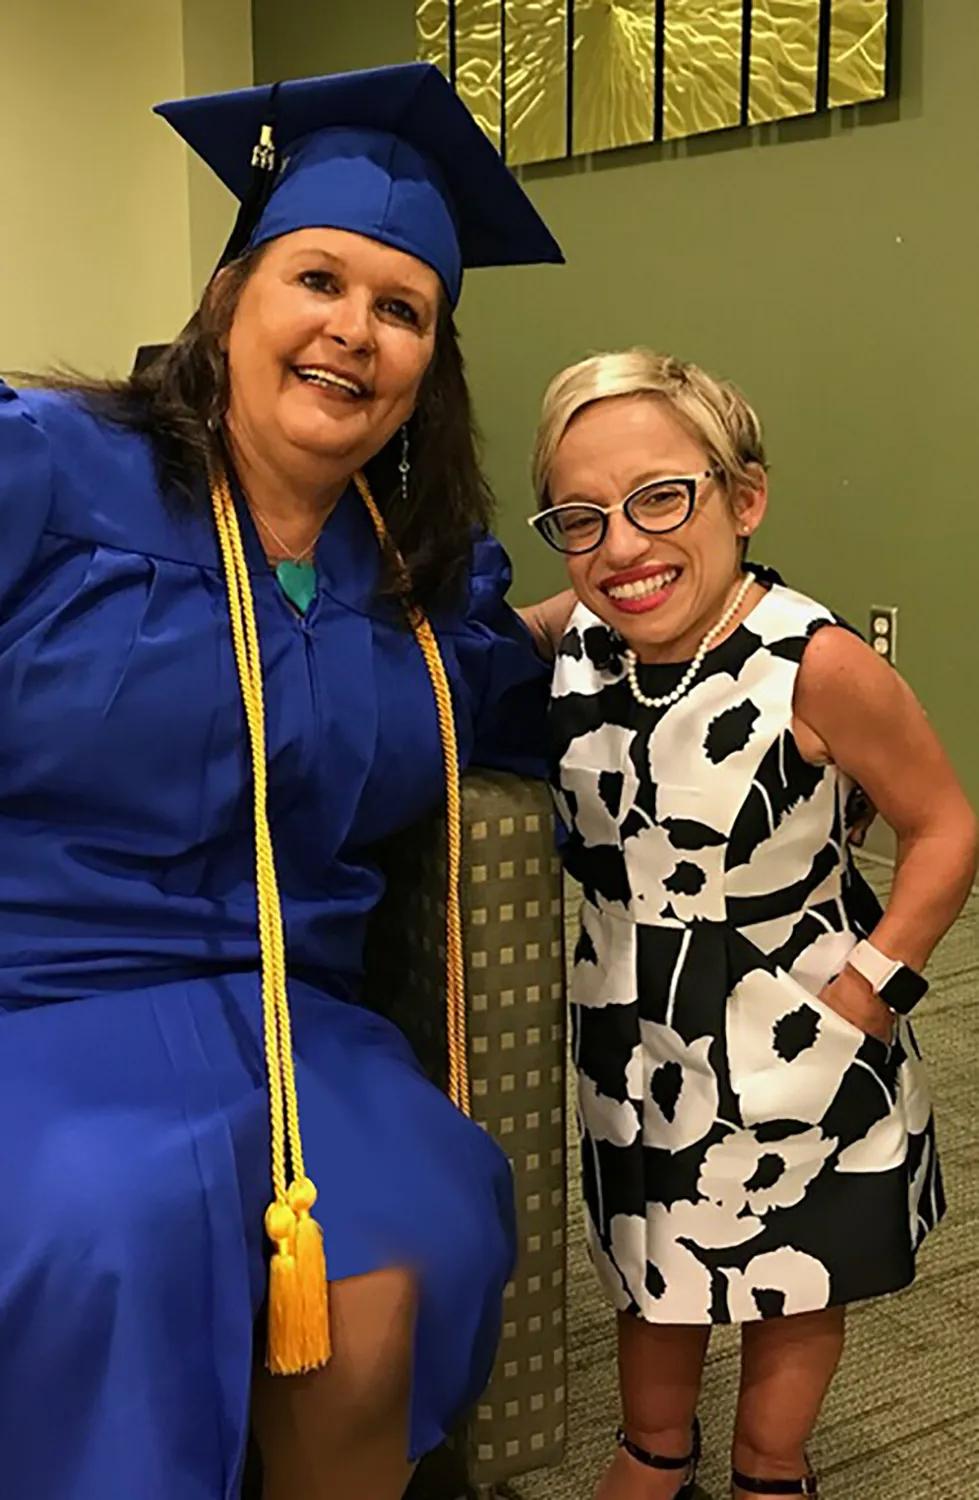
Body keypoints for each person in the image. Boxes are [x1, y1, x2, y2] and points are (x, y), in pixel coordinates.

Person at [0, 63, 563, 1500]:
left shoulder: (419, 581)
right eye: (317, 278)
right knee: (105, 1225)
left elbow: (511, 710)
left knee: (416, 1230)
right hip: (45, 993)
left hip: (287, 1014)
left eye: (401, 310)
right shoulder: (54, 474)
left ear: (430, 361)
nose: (350, 332)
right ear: (231, 299)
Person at [525, 349, 977, 1499]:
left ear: (744, 497)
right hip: (631, 1022)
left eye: (660, 497)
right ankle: (652, 1447)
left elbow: (943, 829)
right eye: (581, 519)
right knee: (651, 1256)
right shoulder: (580, 637)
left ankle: (771, 1461)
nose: (622, 545)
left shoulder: (815, 663)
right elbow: (454, 625)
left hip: (794, 1023)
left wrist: (870, 987)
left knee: (795, 1270)